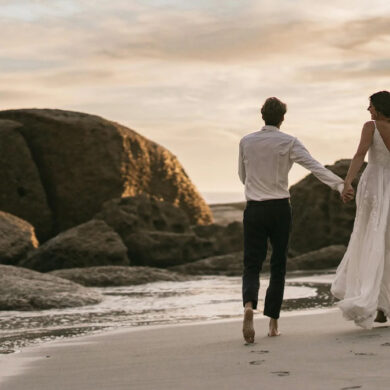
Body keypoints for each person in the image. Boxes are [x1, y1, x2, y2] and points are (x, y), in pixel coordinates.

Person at [238, 97, 353, 344]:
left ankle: (249, 306)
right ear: (282, 118)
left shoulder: (246, 141)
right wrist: (340, 185)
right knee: (278, 264)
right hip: (279, 208)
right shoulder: (289, 141)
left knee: (251, 263)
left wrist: (257, 186)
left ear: (262, 115)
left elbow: (242, 175)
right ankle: (272, 323)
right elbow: (314, 166)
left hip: (255, 208)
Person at [331, 90, 390, 329]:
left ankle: (375, 302)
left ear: (378, 108)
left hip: (375, 184)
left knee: (370, 238)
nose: (368, 110)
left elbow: (359, 154)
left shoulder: (372, 126)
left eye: (371, 106)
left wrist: (347, 182)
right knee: (385, 241)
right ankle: (382, 304)